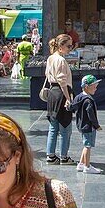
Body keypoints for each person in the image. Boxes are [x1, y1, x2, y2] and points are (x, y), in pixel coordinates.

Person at [44, 34, 76, 165]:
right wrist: (68, 98)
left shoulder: (51, 58)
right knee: (65, 127)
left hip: (52, 93)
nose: (70, 48)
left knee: (53, 127)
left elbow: (48, 75)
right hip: (62, 94)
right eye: (68, 46)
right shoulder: (61, 61)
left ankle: (50, 155)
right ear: (61, 46)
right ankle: (64, 156)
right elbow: (62, 81)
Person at [73, 75, 103, 174]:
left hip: (81, 125)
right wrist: (96, 125)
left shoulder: (79, 97)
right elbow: (91, 115)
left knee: (85, 144)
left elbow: (71, 107)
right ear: (86, 87)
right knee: (88, 146)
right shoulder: (88, 100)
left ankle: (81, 164)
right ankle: (87, 166)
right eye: (94, 86)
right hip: (88, 126)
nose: (96, 88)